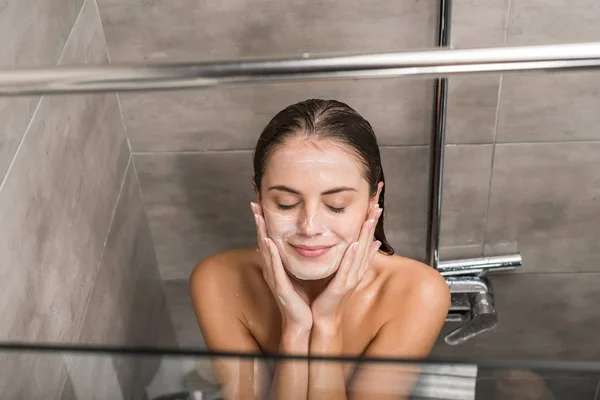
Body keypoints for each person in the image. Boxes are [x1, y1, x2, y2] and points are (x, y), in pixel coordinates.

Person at [190, 99, 451, 399]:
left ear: (373, 199)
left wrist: (328, 325)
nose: (309, 227)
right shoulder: (218, 281)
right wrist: (296, 327)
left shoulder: (417, 292)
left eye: (336, 206)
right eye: (286, 204)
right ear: (259, 197)